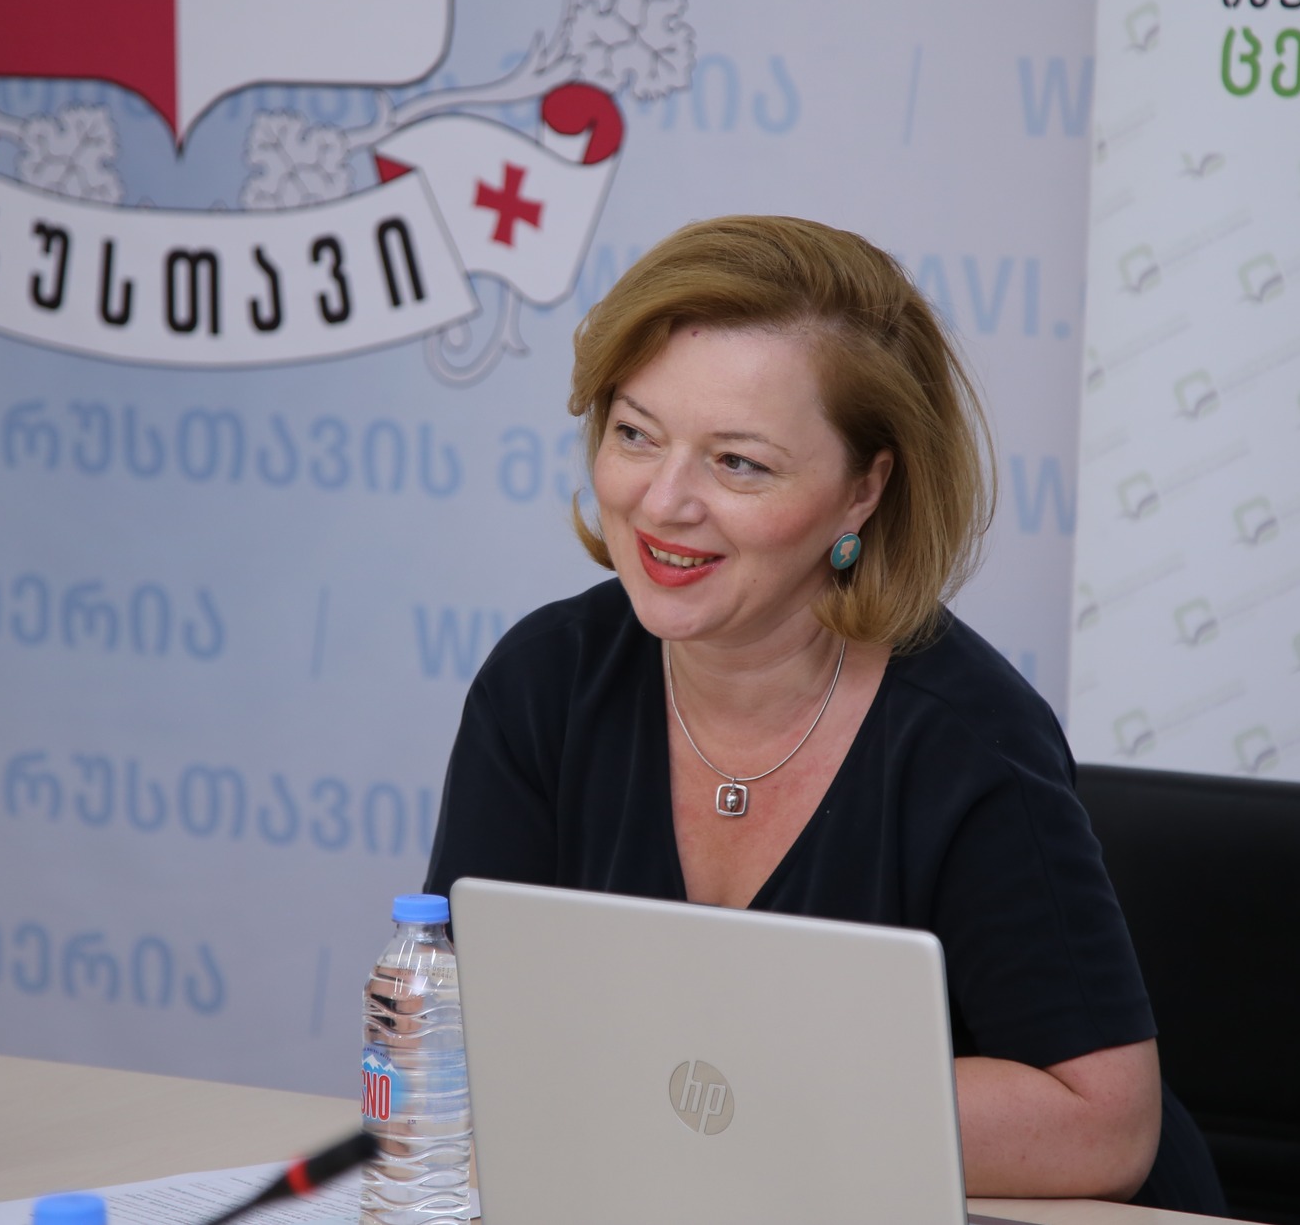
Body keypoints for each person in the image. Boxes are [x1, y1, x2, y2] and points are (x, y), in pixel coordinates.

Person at [422, 215, 1226, 1212]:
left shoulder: (970, 737)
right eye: (635, 435)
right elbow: (462, 1040)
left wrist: (725, 1105)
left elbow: (1102, 1124)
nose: (662, 502)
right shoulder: (544, 681)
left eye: (737, 463)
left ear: (862, 492)